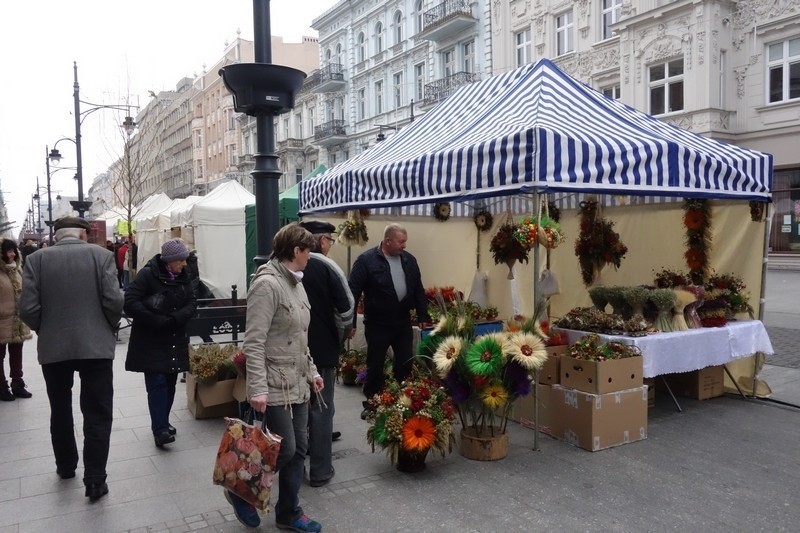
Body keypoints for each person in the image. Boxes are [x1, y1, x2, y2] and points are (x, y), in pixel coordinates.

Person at [224, 223, 324, 532]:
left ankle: (289, 513)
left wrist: (313, 372)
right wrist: (257, 388)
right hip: (273, 382)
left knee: (300, 449)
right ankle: (240, 488)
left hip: (297, 380)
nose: (311, 257)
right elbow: (253, 342)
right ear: (296, 251)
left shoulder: (296, 282)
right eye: (309, 251)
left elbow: (300, 336)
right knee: (287, 448)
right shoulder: (267, 285)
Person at [19, 216, 123, 502]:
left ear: (57, 236)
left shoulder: (36, 260)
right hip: (95, 347)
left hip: (54, 348)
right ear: (82, 235)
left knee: (60, 408)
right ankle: (95, 480)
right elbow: (114, 300)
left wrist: (46, 327)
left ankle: (65, 466)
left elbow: (27, 308)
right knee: (98, 412)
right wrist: (108, 326)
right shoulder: (102, 256)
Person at [349, 223, 430, 420]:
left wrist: (422, 315)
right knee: (375, 365)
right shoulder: (366, 261)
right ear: (387, 241)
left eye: (405, 242)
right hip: (377, 323)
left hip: (402, 322)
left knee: (405, 362)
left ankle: (401, 400)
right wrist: (350, 322)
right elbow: (352, 292)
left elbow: (419, 289)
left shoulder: (409, 260)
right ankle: (372, 401)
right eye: (401, 242)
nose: (404, 245)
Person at [124, 238, 197, 448]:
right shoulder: (148, 274)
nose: (184, 264)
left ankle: (163, 422)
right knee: (157, 383)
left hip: (174, 336)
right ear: (169, 260)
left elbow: (192, 301)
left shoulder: (184, 275)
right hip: (151, 339)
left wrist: (176, 318)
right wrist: (155, 319)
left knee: (171, 382)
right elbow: (130, 301)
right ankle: (160, 430)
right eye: (180, 260)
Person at [299, 220, 354, 488]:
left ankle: (295, 468)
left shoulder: (280, 265)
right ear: (321, 241)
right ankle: (320, 470)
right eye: (330, 241)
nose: (330, 246)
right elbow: (347, 309)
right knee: (321, 408)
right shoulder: (326, 265)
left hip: (289, 352)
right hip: (321, 350)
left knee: (295, 409)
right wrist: (341, 337)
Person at [0, 239, 33, 401]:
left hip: (18, 319)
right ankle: (1, 385)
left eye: (13, 250)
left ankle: (17, 383)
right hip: (2, 319)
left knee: (16, 353)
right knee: (0, 355)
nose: (12, 254)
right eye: (8, 251)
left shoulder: (17, 270)